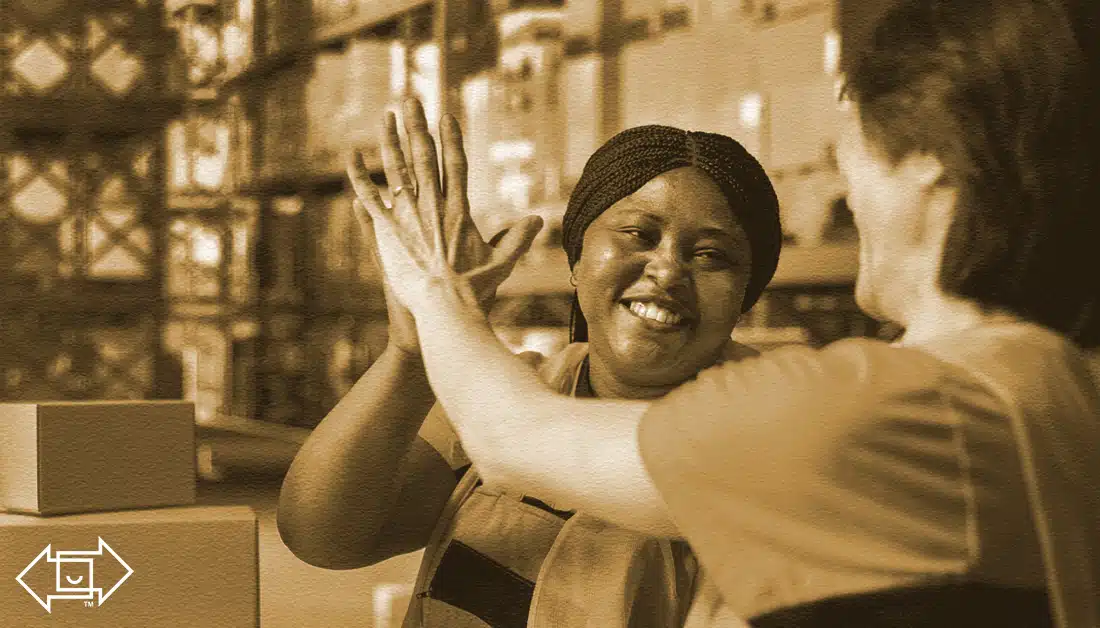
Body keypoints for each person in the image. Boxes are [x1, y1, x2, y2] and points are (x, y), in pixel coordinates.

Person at [352, 1, 1100, 626]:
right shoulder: (1051, 379)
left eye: (852, 154)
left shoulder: (874, 404)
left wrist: (430, 283)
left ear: (930, 159)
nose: (845, 197)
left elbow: (510, 437)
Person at [278, 107, 784, 627]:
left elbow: (511, 437)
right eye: (638, 233)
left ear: (746, 296)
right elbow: (323, 536)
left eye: (711, 256)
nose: (667, 269)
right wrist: (411, 352)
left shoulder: (776, 432)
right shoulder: (516, 388)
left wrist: (440, 309)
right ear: (577, 259)